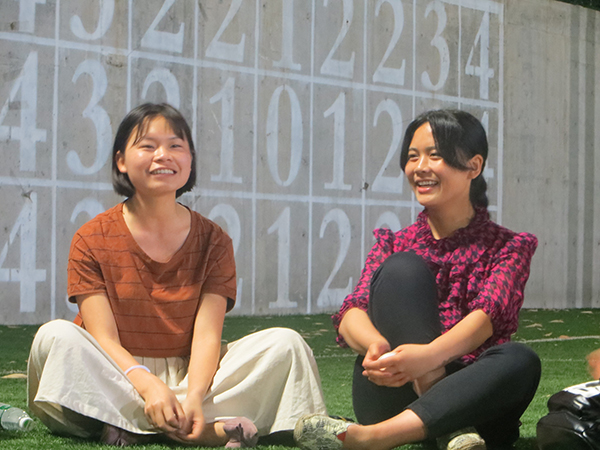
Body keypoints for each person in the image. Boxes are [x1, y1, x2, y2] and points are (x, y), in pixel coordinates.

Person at [28, 103, 327, 447]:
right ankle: (204, 431)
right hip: (115, 372)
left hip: (191, 375)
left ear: (190, 161)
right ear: (121, 161)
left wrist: (195, 395)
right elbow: (104, 339)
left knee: (286, 344)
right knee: (55, 338)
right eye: (147, 145)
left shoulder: (214, 240)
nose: (163, 155)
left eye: (175, 145)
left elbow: (207, 337)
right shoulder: (91, 238)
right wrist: (148, 385)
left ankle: (133, 424)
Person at [294, 109, 541, 450]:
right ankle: (451, 429)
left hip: (473, 395)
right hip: (396, 383)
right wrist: (376, 347)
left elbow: (486, 319)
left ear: (473, 166)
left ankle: (373, 438)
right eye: (413, 157)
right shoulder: (394, 244)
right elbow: (352, 311)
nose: (420, 167)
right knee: (402, 269)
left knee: (520, 360)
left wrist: (428, 359)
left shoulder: (509, 246)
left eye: (435, 155)